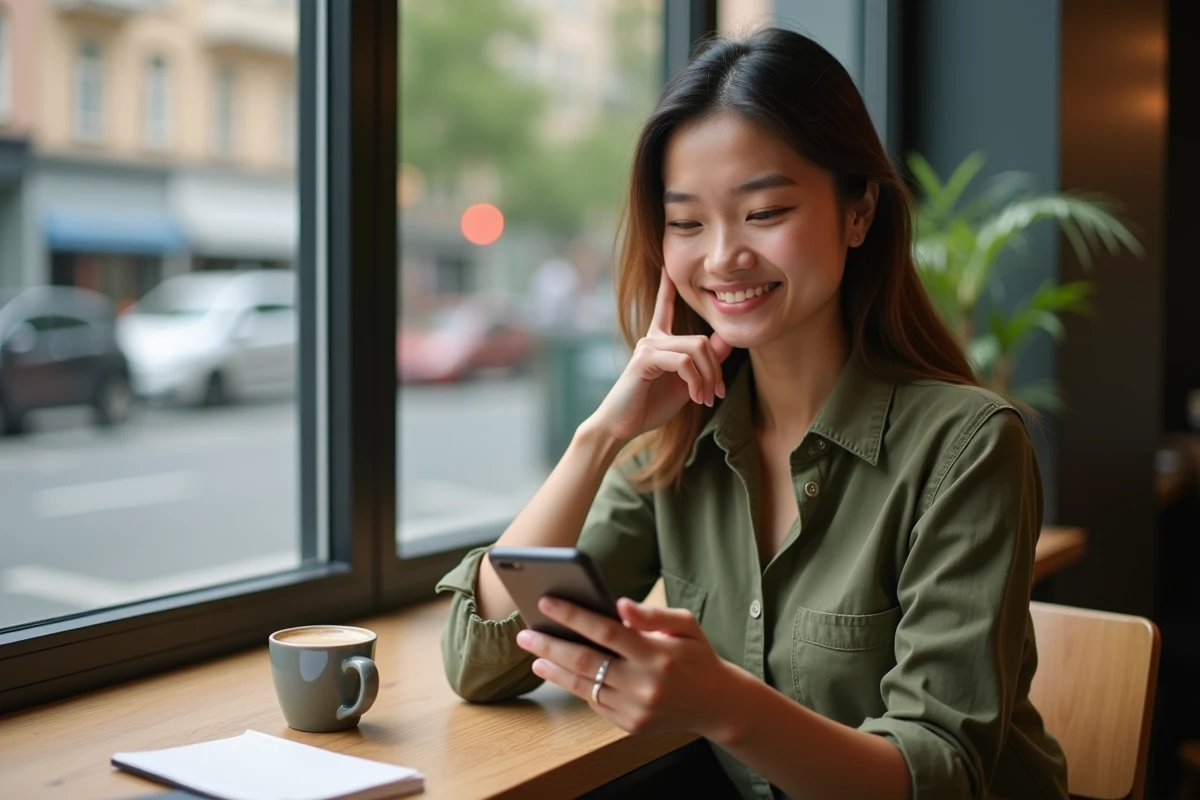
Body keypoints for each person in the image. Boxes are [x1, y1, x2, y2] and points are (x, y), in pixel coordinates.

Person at [436, 27, 1069, 800]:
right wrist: (598, 436)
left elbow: (938, 775)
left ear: (859, 211)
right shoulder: (680, 436)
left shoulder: (966, 447)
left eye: (764, 212)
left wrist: (723, 705)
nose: (723, 257)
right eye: (687, 222)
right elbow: (479, 658)